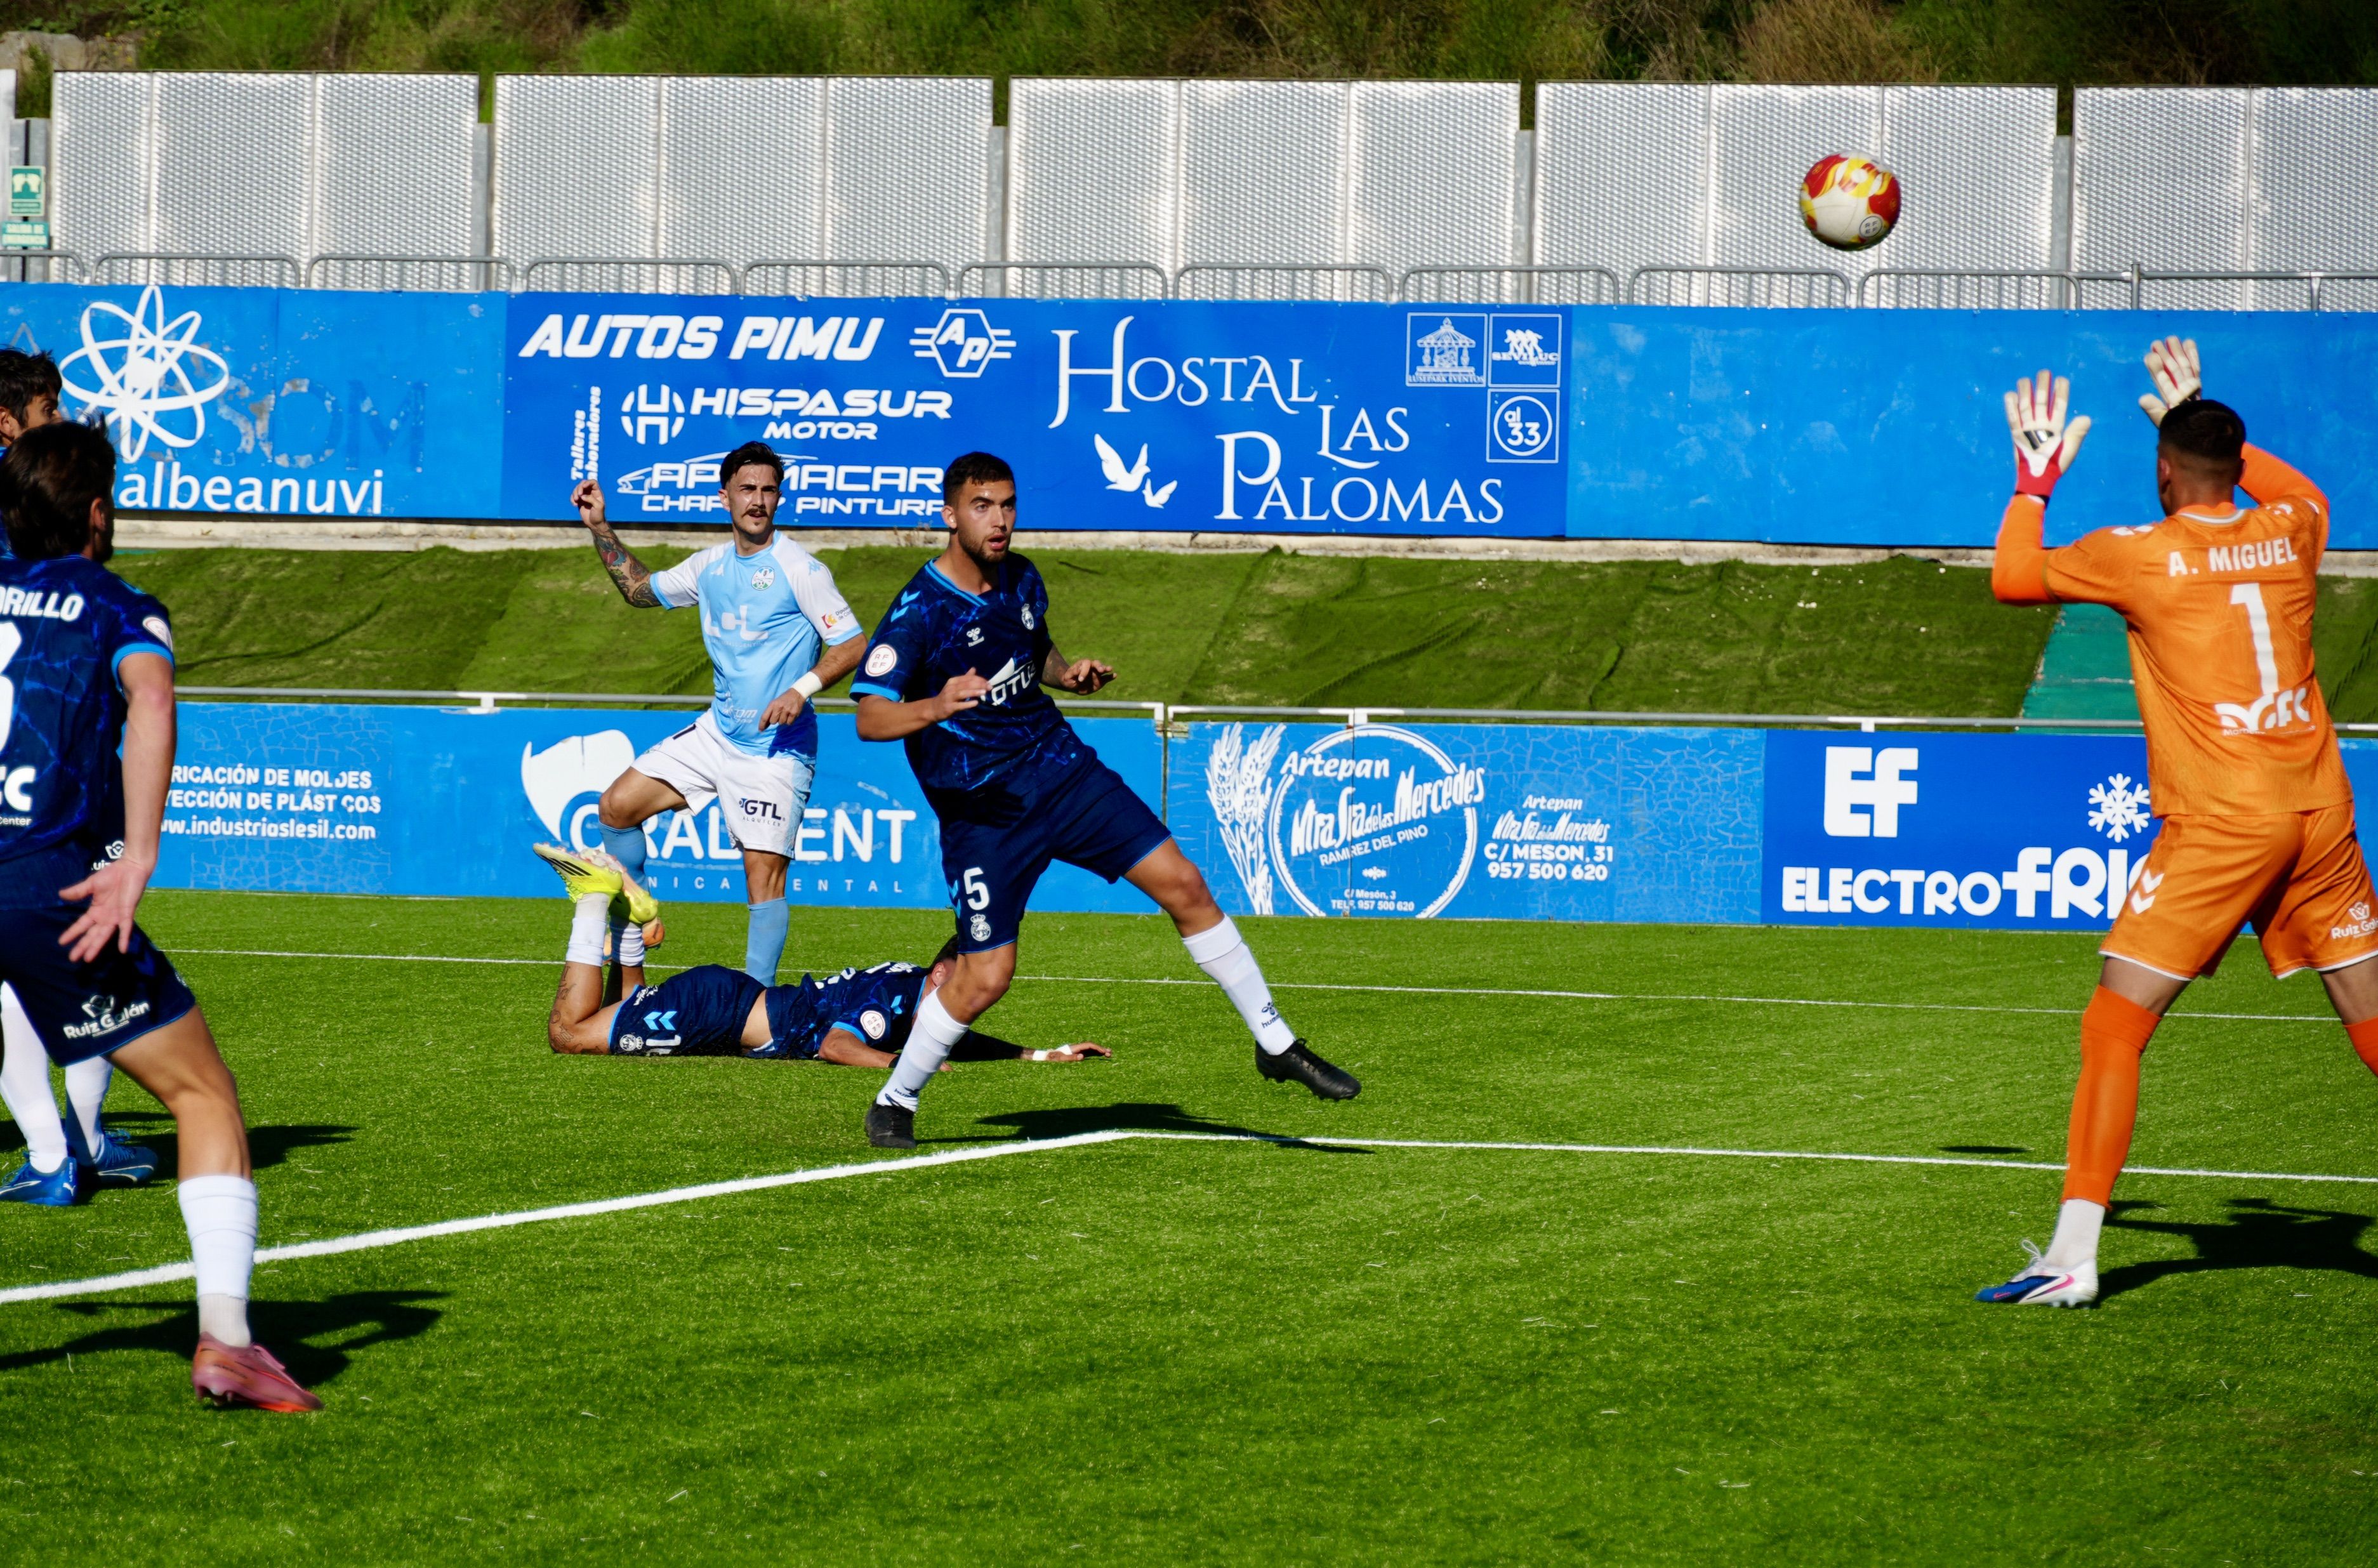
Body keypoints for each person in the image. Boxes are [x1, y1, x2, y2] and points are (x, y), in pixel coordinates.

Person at [1977, 338, 2378, 1308]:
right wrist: (2189, 410)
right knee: (2369, 1020)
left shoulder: (2139, 554)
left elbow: (2012, 575)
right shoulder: (2290, 528)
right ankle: (2068, 1255)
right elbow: (2301, 490)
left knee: (2113, 1023)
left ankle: (2070, 1256)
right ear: (2233, 465)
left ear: (2162, 471)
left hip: (2223, 819)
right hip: (2317, 805)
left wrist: (2032, 482)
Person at [847, 451, 1359, 1150]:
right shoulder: (920, 610)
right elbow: (871, 717)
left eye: (1007, 504)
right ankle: (895, 1098)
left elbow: (1034, 650)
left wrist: (1067, 674)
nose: (998, 520)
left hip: (1061, 771)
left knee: (1184, 883)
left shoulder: (1022, 576)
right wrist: (936, 704)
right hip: (985, 811)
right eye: (981, 506)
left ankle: (1275, 1042)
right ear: (950, 514)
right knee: (986, 977)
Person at [0, 421, 318, 1409]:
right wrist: (136, 858)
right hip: (41, 882)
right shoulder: (116, 605)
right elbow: (152, 696)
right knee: (203, 1093)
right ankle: (228, 1341)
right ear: (99, 512)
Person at [572, 442, 865, 991]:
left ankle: (755, 1010)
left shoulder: (801, 569)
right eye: (747, 489)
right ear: (724, 496)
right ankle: (635, 941)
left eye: (769, 490)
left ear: (779, 498)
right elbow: (640, 591)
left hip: (775, 750)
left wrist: (801, 689)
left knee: (763, 881)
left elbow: (852, 643)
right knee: (616, 807)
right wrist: (600, 527)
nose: (758, 500)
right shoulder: (707, 566)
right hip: (717, 733)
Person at [532, 844, 1108, 1066]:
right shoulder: (894, 999)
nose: (967, 1001)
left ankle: (628, 922)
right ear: (938, 972)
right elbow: (837, 1045)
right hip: (719, 1012)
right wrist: (898, 1065)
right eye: (962, 984)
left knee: (625, 1010)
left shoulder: (917, 993)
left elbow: (961, 1039)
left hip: (729, 1005)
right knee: (569, 1035)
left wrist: (1041, 1054)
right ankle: (594, 898)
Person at [0, 347, 143, 1201]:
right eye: (47, 407)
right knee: (72, 949)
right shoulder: (33, 505)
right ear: (7, 419)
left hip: (46, 764)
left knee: (39, 955)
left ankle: (60, 1150)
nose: (58, 418)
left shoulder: (33, 501)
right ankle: (72, 1143)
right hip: (60, 762)